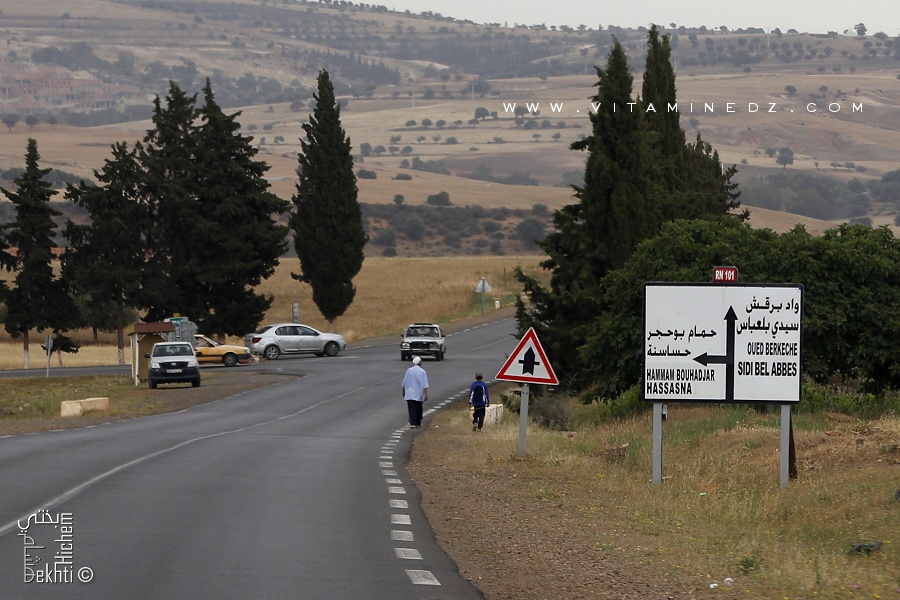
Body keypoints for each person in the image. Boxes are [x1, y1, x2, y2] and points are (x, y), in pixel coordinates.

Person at [402, 356, 429, 428]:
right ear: (420, 363)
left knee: (411, 408)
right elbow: (425, 384)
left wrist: (403, 391)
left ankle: (413, 423)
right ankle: (416, 422)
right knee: (418, 408)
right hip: (418, 393)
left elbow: (404, 382)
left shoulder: (409, 370)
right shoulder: (422, 371)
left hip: (409, 392)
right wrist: (426, 394)